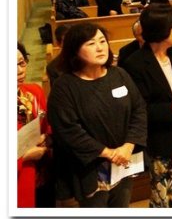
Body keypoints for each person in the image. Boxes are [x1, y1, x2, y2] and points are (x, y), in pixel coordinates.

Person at [48, 23, 147, 207]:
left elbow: (139, 110)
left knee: (122, 208)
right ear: (74, 50)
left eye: (102, 41)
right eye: (91, 43)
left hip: (124, 161)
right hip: (91, 169)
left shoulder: (119, 74)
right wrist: (108, 153)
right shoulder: (65, 86)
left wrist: (128, 145)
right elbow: (68, 130)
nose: (100, 47)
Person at [121, 3, 172, 208]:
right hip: (160, 140)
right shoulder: (135, 64)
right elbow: (139, 110)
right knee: (166, 198)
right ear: (160, 30)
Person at [18, 43, 54, 208]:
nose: (19, 70)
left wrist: (46, 139)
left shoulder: (33, 91)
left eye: (21, 63)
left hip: (43, 174)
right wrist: (24, 157)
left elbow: (47, 128)